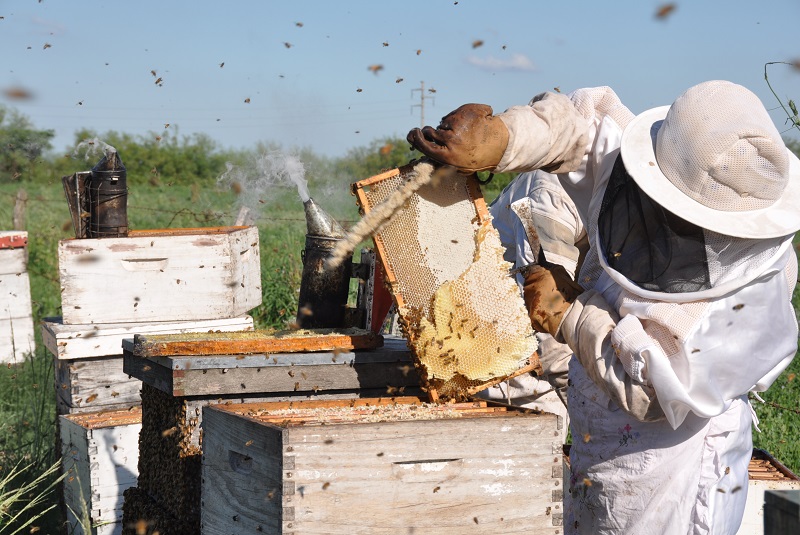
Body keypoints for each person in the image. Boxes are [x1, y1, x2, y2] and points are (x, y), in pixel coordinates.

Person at [407, 80, 800, 535]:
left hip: (673, 469)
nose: (660, 218)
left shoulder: (750, 305)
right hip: (600, 442)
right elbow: (582, 131)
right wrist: (506, 137)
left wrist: (572, 315)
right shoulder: (666, 162)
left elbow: (656, 393)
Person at [478, 170, 587, 442]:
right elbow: (547, 318)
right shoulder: (550, 201)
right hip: (510, 367)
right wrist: (592, 422)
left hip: (542, 360)